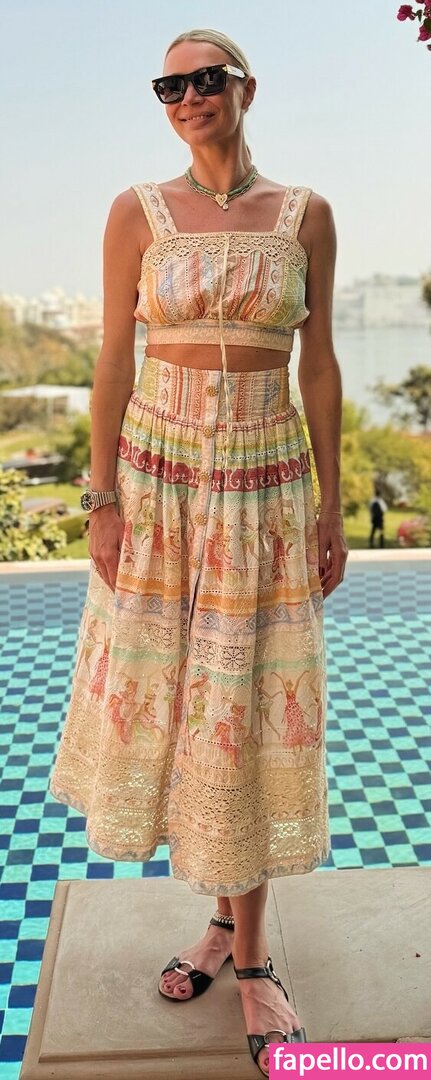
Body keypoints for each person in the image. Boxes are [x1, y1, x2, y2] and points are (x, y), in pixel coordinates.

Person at [49, 27, 348, 1075]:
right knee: (181, 705)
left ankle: (252, 958)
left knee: (245, 701)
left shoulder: (305, 214)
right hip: (158, 481)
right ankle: (224, 925)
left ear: (243, 88)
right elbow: (111, 360)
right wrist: (100, 501)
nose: (186, 97)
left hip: (264, 484)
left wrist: (330, 505)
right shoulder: (136, 211)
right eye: (168, 85)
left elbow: (319, 366)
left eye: (204, 79)